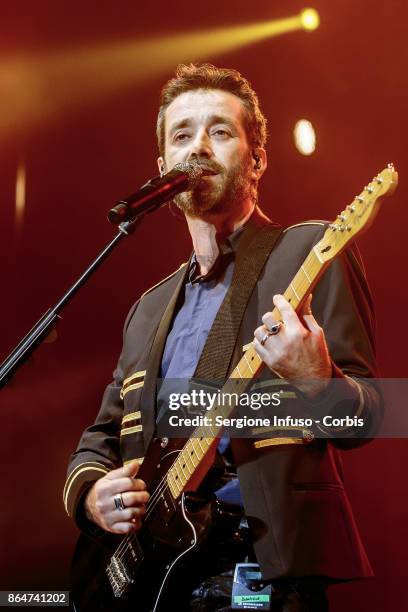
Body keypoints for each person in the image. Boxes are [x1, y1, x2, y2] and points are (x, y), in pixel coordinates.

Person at [64, 64, 382, 611]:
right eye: (183, 135)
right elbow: (100, 437)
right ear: (163, 169)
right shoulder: (148, 308)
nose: (199, 148)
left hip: (262, 571)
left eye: (220, 131)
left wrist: (317, 382)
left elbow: (375, 415)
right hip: (157, 576)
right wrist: (93, 495)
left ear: (257, 159)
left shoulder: (307, 250)